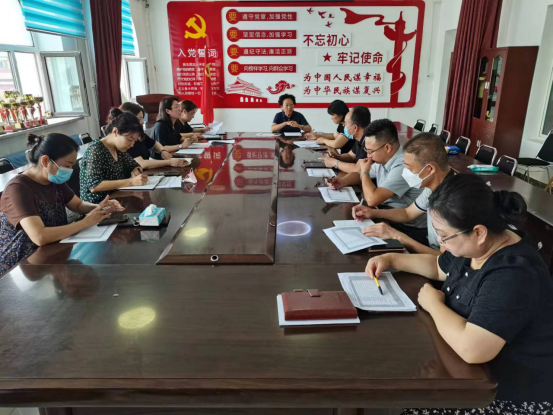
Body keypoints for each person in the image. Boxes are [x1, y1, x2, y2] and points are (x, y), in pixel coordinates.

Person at [366, 174, 553, 414]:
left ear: (478, 232)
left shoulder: (514, 273)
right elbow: (438, 266)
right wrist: (392, 259)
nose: (441, 242)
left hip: (506, 395)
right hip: (465, 372)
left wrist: (434, 305)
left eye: (444, 235)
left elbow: (473, 349)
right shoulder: (478, 246)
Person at [0, 133, 123, 274]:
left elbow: (78, 205)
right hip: (21, 264)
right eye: (67, 165)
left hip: (51, 252)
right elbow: (40, 237)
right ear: (45, 161)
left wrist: (101, 208)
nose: (69, 171)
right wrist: (86, 222)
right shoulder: (18, 189)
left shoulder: (53, 179)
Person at [353, 133, 454, 254]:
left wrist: (396, 235)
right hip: (430, 248)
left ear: (430, 169)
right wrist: (373, 213)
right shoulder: (433, 187)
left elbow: (445, 260)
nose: (405, 172)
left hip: (435, 256)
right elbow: (408, 213)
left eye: (409, 168)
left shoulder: (452, 202)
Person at [80, 110, 149, 204]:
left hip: (117, 198)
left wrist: (135, 171)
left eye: (135, 141)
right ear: (115, 131)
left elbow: (134, 165)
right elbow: (94, 186)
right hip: (97, 205)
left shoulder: (119, 149)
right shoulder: (96, 150)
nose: (132, 145)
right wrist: (131, 182)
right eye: (130, 139)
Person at [111, 103, 189, 170]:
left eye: (142, 119)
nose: (142, 122)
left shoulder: (140, 135)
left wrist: (162, 150)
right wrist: (169, 162)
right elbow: (142, 163)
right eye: (139, 119)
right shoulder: (127, 140)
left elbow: (154, 144)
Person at [318, 106, 371, 174]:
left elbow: (358, 169)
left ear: (355, 128)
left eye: (346, 124)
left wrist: (335, 163)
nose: (344, 126)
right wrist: (337, 157)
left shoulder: (369, 142)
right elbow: (351, 156)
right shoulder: (359, 139)